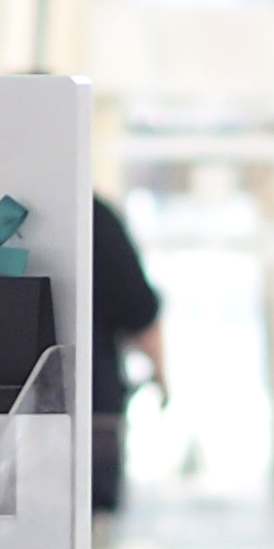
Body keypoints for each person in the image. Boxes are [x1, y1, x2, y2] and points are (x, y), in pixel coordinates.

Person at [88, 193, 166, 514]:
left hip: (9, 415)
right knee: (86, 522)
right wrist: (162, 376)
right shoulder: (93, 214)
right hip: (91, 411)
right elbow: (139, 311)